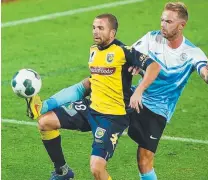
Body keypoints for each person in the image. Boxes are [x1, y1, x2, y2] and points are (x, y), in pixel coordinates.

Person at [27, 13, 160, 180]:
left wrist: (139, 90)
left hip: (112, 117)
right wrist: (45, 106)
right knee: (44, 122)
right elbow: (86, 85)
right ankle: (62, 171)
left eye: (101, 28)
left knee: (97, 168)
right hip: (90, 108)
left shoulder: (124, 52)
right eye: (94, 27)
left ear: (112, 33)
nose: (96, 32)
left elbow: (154, 66)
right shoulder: (93, 51)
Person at [127, 2, 208, 180]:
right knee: (99, 116)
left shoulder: (192, 53)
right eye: (162, 20)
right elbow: (128, 54)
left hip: (158, 110)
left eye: (168, 21)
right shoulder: (152, 38)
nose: (162, 24)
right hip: (135, 96)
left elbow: (207, 77)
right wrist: (135, 62)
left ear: (181, 25)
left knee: (144, 160)